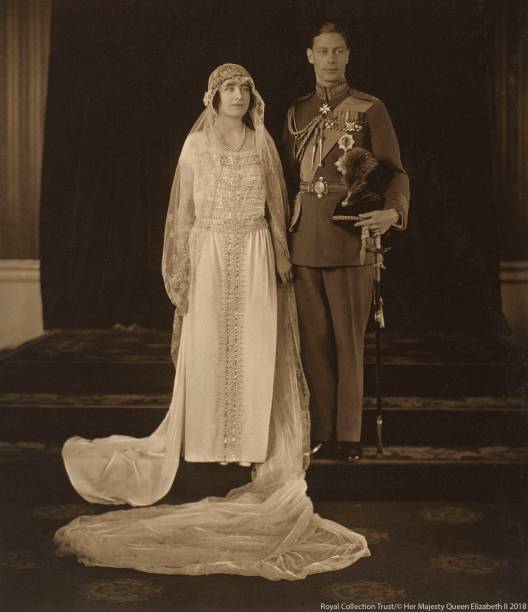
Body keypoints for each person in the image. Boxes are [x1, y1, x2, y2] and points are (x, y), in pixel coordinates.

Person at [53, 64, 370, 580]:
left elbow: (274, 203)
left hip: (254, 252)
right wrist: (182, 271)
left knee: (254, 348)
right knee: (211, 349)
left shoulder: (263, 142)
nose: (239, 96)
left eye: (245, 88)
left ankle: (247, 442)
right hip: (210, 257)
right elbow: (181, 214)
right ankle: (205, 442)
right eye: (230, 88)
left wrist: (283, 256)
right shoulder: (195, 147)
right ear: (213, 97)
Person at [283, 23, 410, 462]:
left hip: (351, 237)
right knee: (313, 342)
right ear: (309, 56)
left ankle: (349, 435)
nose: (331, 59)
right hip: (304, 240)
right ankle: (321, 431)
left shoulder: (369, 108)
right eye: (323, 52)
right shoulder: (295, 113)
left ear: (348, 56)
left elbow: (395, 172)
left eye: (338, 52)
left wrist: (393, 212)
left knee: (347, 343)